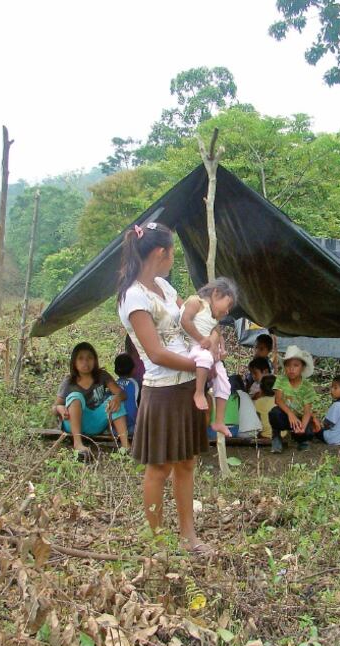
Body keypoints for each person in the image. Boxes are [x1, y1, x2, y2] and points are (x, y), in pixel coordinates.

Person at [116, 219, 211, 556]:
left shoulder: (164, 288)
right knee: (159, 467)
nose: (173, 259)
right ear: (160, 252)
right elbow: (154, 352)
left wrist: (204, 339)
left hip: (188, 387)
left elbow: (186, 326)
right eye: (172, 253)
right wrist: (201, 364)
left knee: (186, 462)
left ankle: (189, 538)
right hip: (162, 389)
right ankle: (157, 544)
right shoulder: (134, 297)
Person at [180, 277, 238, 437]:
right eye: (229, 304)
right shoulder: (195, 302)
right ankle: (199, 392)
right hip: (195, 349)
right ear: (216, 293)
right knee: (205, 358)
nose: (227, 311)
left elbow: (218, 334)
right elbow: (185, 320)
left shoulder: (214, 318)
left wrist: (222, 350)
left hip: (209, 353)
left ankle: (219, 420)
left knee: (225, 383)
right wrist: (201, 339)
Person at [52, 342, 130, 457]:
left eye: (89, 358)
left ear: (95, 360)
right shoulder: (68, 382)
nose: (85, 362)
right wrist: (60, 408)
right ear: (74, 362)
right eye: (81, 358)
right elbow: (54, 407)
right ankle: (78, 444)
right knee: (75, 396)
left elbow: (122, 393)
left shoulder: (102, 376)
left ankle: (126, 446)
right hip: (72, 423)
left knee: (114, 399)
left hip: (95, 423)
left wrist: (117, 398)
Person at [268, 345, 318, 453]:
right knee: (274, 413)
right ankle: (276, 437)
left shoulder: (307, 387)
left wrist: (302, 428)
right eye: (288, 365)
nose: (291, 369)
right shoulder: (281, 380)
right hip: (286, 416)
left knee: (308, 431)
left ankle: (301, 440)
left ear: (302, 368)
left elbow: (307, 412)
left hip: (300, 418)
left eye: (296, 365)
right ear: (284, 367)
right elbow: (278, 400)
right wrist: (290, 414)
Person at [114, 353, 140, 435]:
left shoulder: (113, 385)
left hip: (115, 429)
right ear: (133, 369)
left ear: (115, 371)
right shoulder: (137, 384)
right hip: (132, 427)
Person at [253, 374, 276, 440]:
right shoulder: (281, 401)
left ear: (261, 389)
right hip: (282, 433)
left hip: (265, 434)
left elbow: (257, 419)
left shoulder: (258, 402)